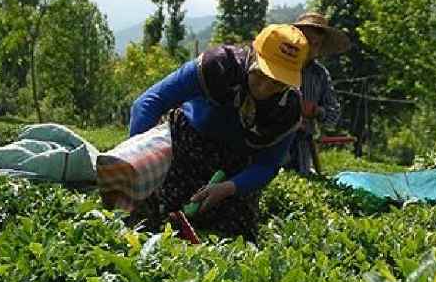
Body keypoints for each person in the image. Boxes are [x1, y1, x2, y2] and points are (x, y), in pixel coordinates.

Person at [126, 24, 309, 238]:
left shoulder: (289, 109)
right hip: (187, 146)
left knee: (236, 235)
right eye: (261, 75)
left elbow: (267, 164)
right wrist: (138, 164)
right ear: (253, 55)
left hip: (236, 168)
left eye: (278, 83)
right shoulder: (218, 66)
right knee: (158, 218)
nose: (265, 89)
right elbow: (148, 103)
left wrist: (229, 187)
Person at [286, 12, 350, 176]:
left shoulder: (319, 74)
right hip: (272, 141)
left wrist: (315, 111)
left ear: (320, 48)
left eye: (315, 44)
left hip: (302, 147)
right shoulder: (280, 64)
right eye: (306, 41)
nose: (309, 47)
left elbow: (333, 116)